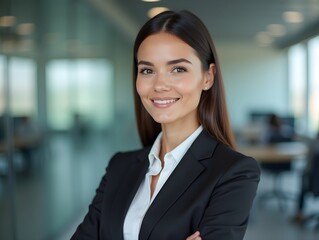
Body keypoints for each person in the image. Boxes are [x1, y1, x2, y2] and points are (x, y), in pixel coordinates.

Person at [71, 10, 260, 240]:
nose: (160, 85)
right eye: (147, 70)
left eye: (178, 69)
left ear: (208, 77)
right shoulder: (119, 167)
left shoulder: (233, 173)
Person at [291, 131, 319, 224]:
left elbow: (308, 168)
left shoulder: (314, 144)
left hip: (312, 183)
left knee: (304, 176)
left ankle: (299, 213)